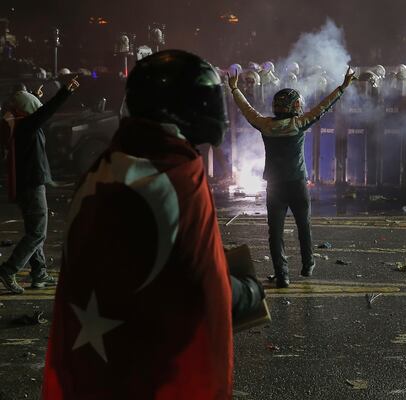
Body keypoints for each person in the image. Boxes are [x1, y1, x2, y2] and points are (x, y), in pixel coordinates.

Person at [42, 50, 264, 399]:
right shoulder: (173, 172)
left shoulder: (104, 167)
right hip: (152, 372)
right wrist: (247, 292)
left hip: (102, 364)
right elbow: (198, 288)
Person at [228, 66, 356, 288]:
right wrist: (342, 88)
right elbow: (323, 106)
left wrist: (234, 89)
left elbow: (246, 109)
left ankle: (282, 275)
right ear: (294, 106)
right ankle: (308, 265)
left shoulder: (265, 125)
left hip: (275, 186)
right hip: (297, 184)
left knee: (275, 233)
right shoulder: (299, 124)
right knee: (303, 226)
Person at [0, 78, 79, 294]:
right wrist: (65, 92)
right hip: (32, 184)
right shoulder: (27, 126)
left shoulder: (17, 123)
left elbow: (34, 110)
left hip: (25, 184)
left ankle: (39, 273)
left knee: (34, 230)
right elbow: (45, 113)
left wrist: (36, 94)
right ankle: (9, 270)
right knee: (37, 234)